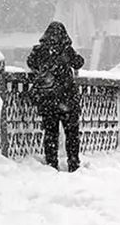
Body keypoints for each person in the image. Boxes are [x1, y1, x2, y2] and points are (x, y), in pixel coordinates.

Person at [26, 21, 85, 172]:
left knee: (50, 134)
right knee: (72, 134)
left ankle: (52, 164)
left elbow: (30, 63)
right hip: (67, 99)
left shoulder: (40, 50)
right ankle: (73, 163)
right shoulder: (66, 50)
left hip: (48, 100)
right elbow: (79, 63)